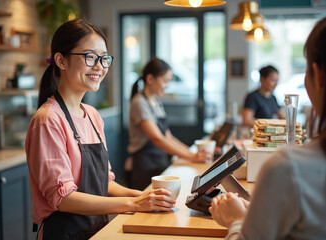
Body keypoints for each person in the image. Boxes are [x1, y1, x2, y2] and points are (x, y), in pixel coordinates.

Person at [25, 20, 176, 240]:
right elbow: (63, 198)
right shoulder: (48, 119)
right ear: (61, 60)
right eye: (90, 57)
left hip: (97, 231)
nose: (99, 66)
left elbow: (104, 182)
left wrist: (146, 196)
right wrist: (134, 203)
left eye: (104, 58)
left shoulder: (93, 115)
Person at [209, 16, 326, 239]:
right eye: (272, 80)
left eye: (276, 81)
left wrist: (236, 221)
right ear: (263, 79)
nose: (274, 84)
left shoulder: (289, 169)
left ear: (317, 75)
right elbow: (247, 120)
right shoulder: (253, 96)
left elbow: (282, 117)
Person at [127, 57, 213, 190]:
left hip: (159, 161)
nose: (167, 86)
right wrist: (192, 156)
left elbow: (167, 136)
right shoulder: (139, 102)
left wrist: (190, 153)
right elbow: (157, 138)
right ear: (150, 79)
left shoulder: (156, 101)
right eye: (165, 81)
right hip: (144, 165)